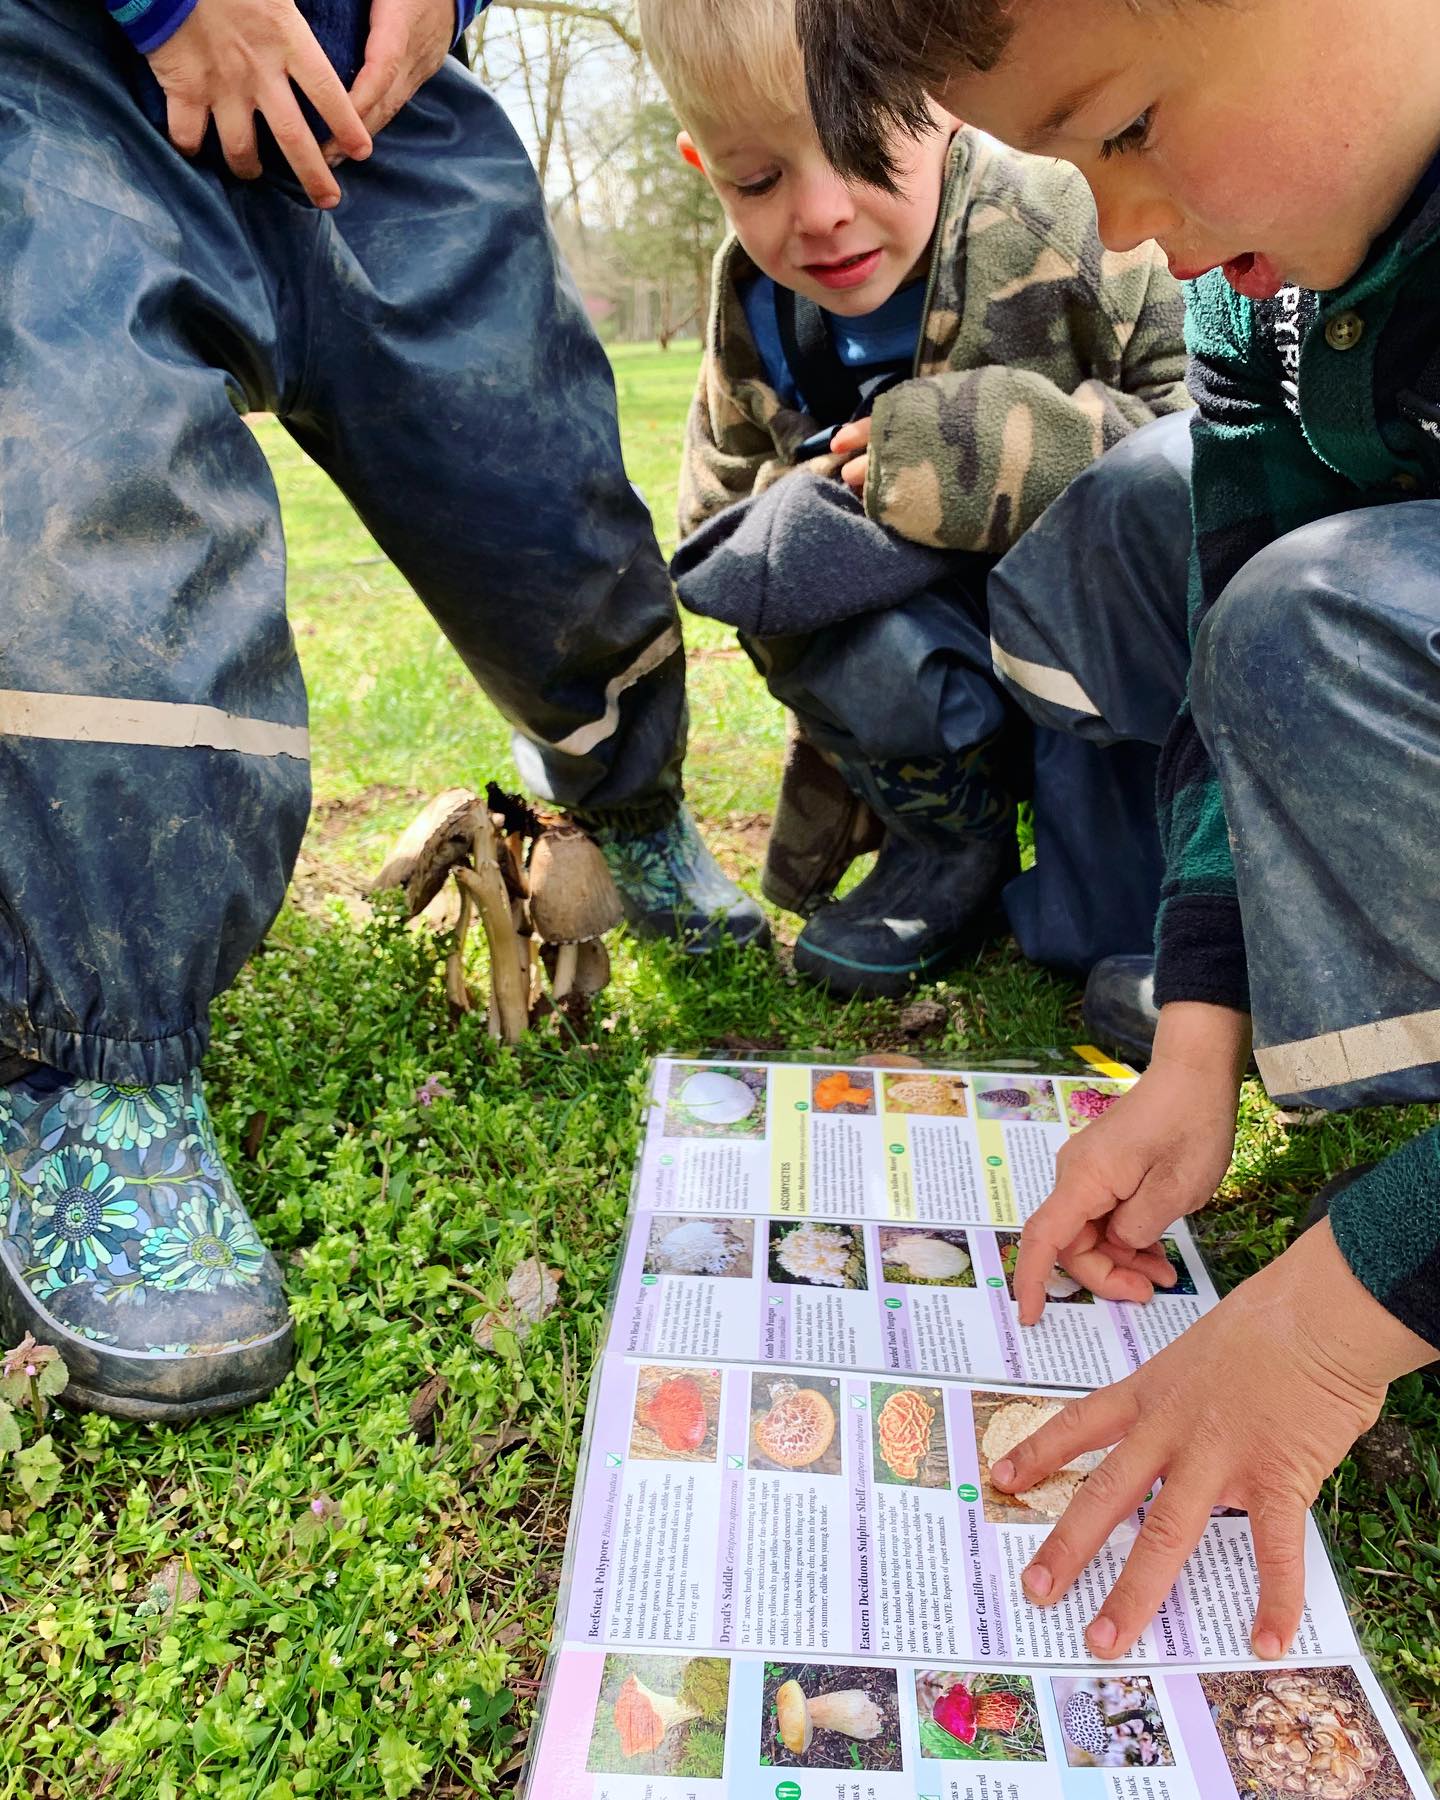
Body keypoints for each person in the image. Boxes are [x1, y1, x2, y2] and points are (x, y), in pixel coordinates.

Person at [0, 0, 769, 1424]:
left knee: (547, 509)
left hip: (381, 87)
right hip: (63, 62)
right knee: (83, 509)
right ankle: (92, 1067)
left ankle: (635, 809)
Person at [797, 0, 1440, 1660]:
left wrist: (1330, 1325)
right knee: (1206, 552)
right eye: (1066, 162)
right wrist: (1195, 1047)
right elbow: (1232, 646)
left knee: (1331, 616)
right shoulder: (1271, 292)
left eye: (1133, 125)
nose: (1123, 224)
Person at [635, 0, 1195, 999]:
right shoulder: (755, 303)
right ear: (701, 166)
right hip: (927, 663)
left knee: (1099, 933)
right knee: (793, 563)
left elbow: (1202, 457)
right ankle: (948, 849)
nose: (817, 214)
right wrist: (797, 516)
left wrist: (989, 451)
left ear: (948, 105)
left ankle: (1141, 885)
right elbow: (712, 516)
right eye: (756, 179)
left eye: (861, 148)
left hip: (1102, 660)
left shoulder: (1077, 218)